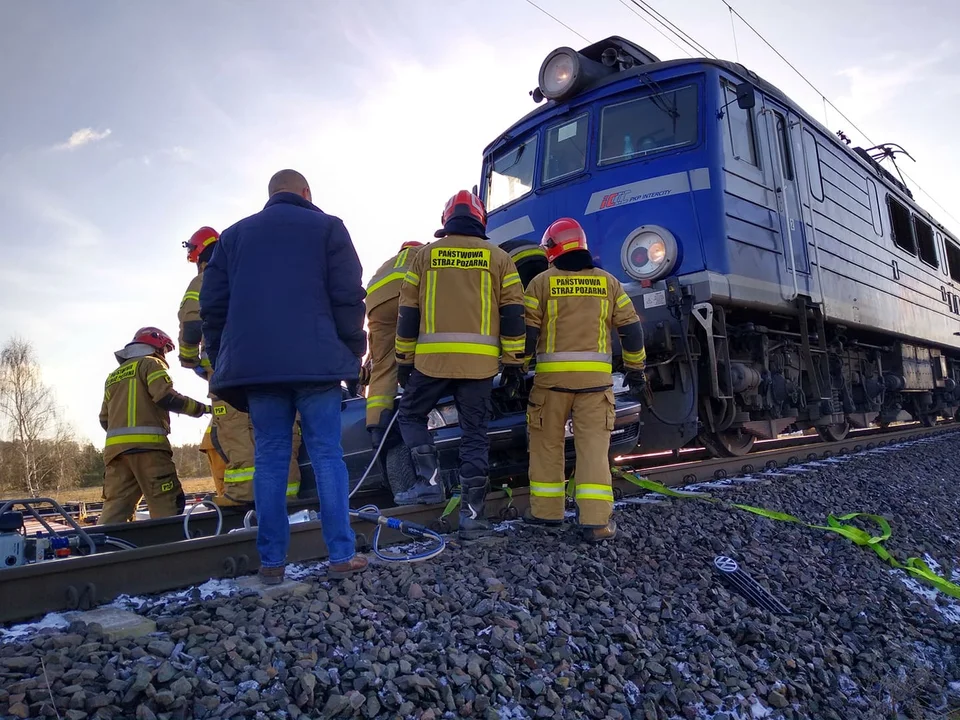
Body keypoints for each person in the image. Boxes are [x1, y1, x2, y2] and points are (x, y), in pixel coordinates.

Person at [200, 168, 367, 584]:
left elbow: (212, 307)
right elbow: (348, 295)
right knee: (327, 454)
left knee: (270, 459)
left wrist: (225, 360)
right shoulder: (328, 228)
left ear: (270, 194)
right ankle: (341, 556)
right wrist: (351, 352)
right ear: (306, 192)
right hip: (317, 364)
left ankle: (272, 563)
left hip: (258, 371)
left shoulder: (233, 237)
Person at [394, 190, 526, 542]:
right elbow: (513, 314)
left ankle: (429, 485)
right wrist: (514, 364)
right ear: (480, 219)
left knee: (410, 415)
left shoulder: (424, 256)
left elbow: (407, 314)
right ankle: (473, 520)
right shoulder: (499, 259)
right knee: (475, 436)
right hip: (479, 367)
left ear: (446, 220)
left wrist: (403, 360)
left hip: (432, 363)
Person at [522, 218, 647, 541]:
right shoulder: (608, 284)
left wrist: (516, 367)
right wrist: (636, 369)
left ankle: (546, 513)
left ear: (552, 248)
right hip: (595, 387)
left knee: (546, 446)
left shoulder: (541, 284)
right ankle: (596, 523)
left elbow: (528, 332)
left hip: (550, 386)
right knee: (593, 450)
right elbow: (631, 328)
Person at [98, 327, 211, 524]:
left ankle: (104, 551)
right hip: (149, 450)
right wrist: (202, 409)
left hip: (116, 455)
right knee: (166, 504)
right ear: (157, 345)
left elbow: (104, 419)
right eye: (165, 350)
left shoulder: (113, 376)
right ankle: (170, 551)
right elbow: (165, 397)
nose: (165, 355)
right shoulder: (151, 364)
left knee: (115, 509)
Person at [177, 226, 227, 499]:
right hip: (260, 368)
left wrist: (189, 359)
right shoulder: (241, 276)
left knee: (230, 434)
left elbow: (192, 323)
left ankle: (240, 499)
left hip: (224, 374)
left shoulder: (206, 279)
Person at [364, 241, 425, 450]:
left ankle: (377, 429)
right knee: (422, 346)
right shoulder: (423, 252)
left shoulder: (387, 263)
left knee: (383, 364)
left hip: (376, 303)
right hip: (405, 294)